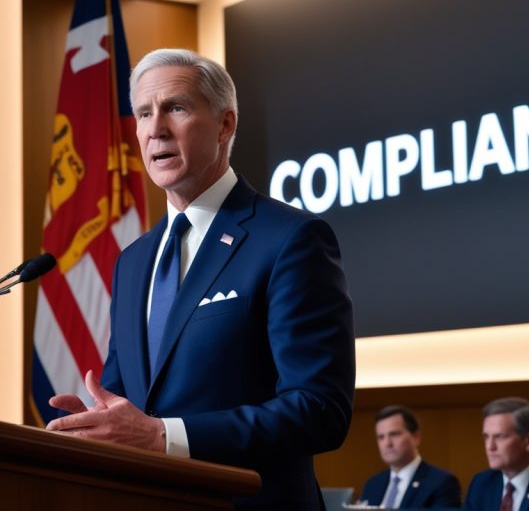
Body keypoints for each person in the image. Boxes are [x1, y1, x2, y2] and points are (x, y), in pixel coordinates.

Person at [46, 48, 356, 508]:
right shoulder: (133, 261)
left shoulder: (290, 239)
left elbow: (319, 410)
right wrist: (98, 425)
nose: (155, 130)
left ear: (225, 125)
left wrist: (162, 436)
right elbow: (126, 396)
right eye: (144, 113)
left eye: (176, 108)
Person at [359, 405, 461, 508]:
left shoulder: (441, 482)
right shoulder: (372, 484)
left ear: (416, 437)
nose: (387, 443)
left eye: (394, 434)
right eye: (381, 437)